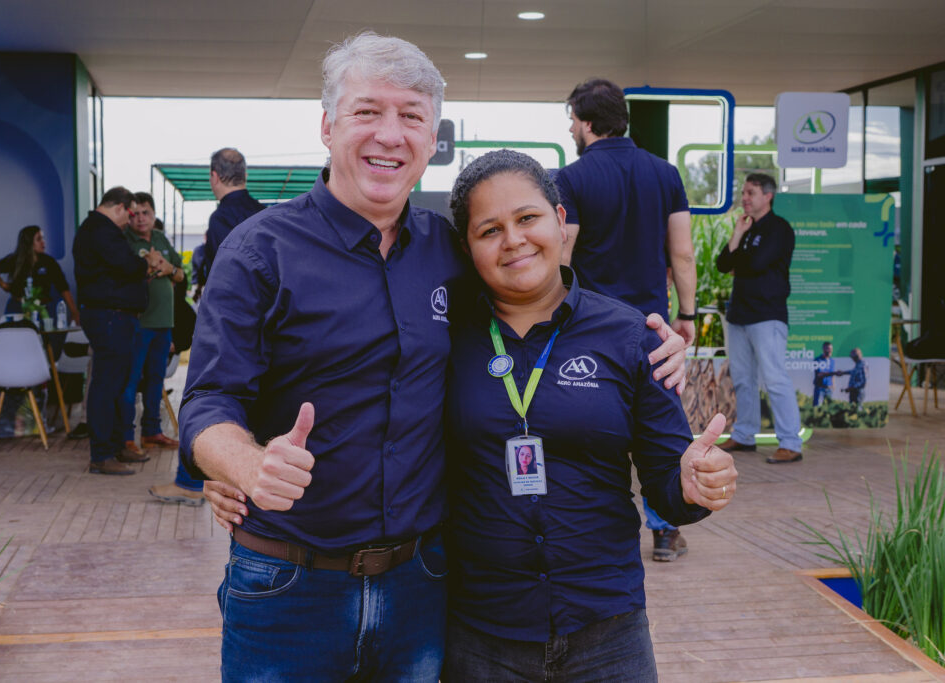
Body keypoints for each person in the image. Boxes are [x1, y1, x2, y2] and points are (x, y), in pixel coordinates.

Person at [182, 34, 689, 681]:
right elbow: (208, 401)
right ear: (328, 126)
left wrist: (648, 342)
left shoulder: (450, 251)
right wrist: (245, 465)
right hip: (289, 586)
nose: (390, 134)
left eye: (411, 116)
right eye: (368, 111)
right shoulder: (259, 251)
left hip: (419, 587)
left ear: (430, 139)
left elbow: (536, 303)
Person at [555, 77, 697, 562]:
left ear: (587, 122)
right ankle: (665, 532)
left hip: (589, 330)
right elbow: (683, 253)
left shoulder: (572, 178)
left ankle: (589, 528)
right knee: (658, 431)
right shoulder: (666, 174)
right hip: (653, 329)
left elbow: (562, 257)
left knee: (593, 428)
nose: (571, 128)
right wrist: (687, 314)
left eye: (572, 120)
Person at [73, 186, 166, 476]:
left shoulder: (99, 230)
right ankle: (102, 454)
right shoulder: (101, 230)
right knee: (107, 385)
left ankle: (115, 446)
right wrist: (146, 263)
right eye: (130, 214)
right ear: (118, 208)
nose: (131, 220)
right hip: (109, 317)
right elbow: (127, 265)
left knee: (117, 384)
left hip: (115, 317)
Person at [716, 172, 803, 465]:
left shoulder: (779, 229)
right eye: (743, 193)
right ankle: (744, 435)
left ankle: (790, 443)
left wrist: (737, 261)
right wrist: (737, 235)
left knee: (775, 379)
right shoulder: (746, 228)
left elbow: (755, 263)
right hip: (739, 314)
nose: (744, 198)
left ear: (768, 196)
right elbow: (722, 265)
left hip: (767, 315)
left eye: (750, 193)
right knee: (743, 379)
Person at [118, 195, 194, 480]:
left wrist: (167, 268)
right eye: (135, 213)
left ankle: (152, 432)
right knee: (130, 382)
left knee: (155, 380)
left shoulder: (160, 237)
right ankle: (127, 438)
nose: (140, 218)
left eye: (145, 212)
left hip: (164, 323)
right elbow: (124, 275)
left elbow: (180, 275)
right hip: (138, 324)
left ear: (153, 215)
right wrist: (151, 268)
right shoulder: (125, 241)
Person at [0, 225, 80, 326]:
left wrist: (74, 312)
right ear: (29, 242)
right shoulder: (15, 260)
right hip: (18, 307)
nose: (43, 242)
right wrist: (4, 285)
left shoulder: (49, 262)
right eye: (39, 239)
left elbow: (63, 287)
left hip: (41, 309)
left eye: (43, 238)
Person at [200, 147, 263, 286]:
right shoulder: (264, 213)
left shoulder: (219, 219)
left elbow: (219, 275)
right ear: (245, 176)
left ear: (215, 177)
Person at [812, 341, 835, 406]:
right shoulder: (817, 360)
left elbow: (832, 375)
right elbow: (820, 374)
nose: (830, 351)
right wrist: (835, 373)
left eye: (831, 349)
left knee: (829, 407)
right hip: (820, 388)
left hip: (829, 389)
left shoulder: (832, 361)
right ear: (823, 349)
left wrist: (833, 385)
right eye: (828, 349)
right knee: (817, 406)